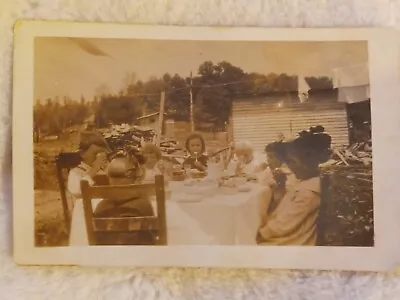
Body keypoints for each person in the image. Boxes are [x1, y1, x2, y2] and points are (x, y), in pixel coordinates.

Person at [257, 125, 332, 246]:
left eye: (293, 162)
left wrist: (262, 233)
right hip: (290, 232)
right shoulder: (304, 182)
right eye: (288, 162)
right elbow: (284, 207)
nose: (290, 167)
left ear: (309, 161)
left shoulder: (308, 193)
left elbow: (285, 224)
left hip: (295, 240)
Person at [93, 152, 155, 245]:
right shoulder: (143, 205)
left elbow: (96, 238)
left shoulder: (101, 207)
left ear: (109, 178)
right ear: (134, 178)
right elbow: (153, 235)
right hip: (139, 255)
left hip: (107, 255)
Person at [67, 131, 110, 198]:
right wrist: (93, 171)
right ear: (82, 154)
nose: (99, 157)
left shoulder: (106, 169)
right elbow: (76, 191)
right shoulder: (76, 172)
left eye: (102, 154)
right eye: (95, 154)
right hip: (86, 206)